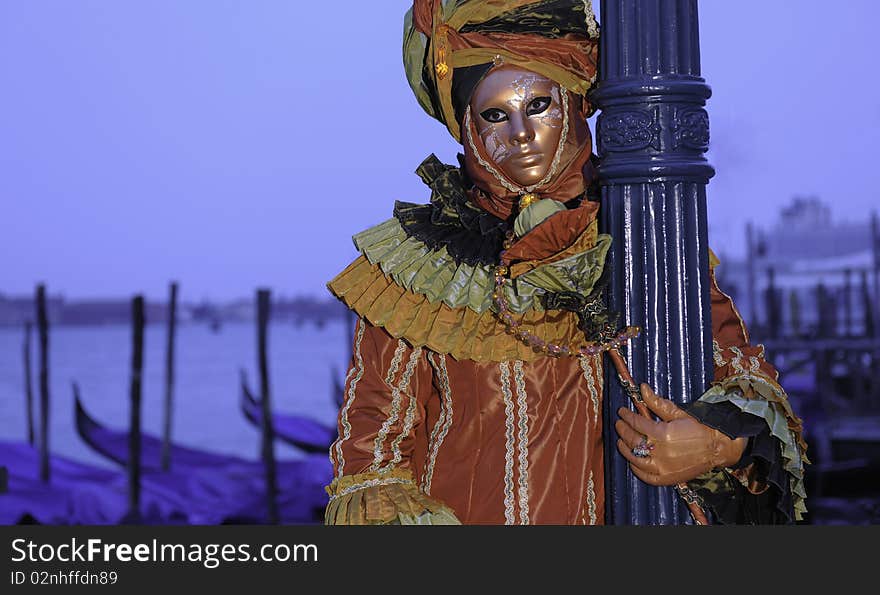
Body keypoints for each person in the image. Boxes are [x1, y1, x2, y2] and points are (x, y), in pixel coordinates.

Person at [323, 0, 807, 525]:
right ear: (468, 129)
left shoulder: (650, 240)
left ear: (574, 105)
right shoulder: (420, 271)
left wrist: (715, 445)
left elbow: (753, 390)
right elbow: (374, 459)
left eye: (537, 105)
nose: (520, 134)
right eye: (494, 115)